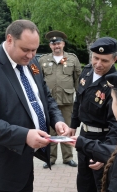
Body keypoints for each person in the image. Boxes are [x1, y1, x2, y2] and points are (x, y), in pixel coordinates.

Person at [0, 20, 69, 192]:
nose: (30, 55)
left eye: (34, 50)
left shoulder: (31, 63)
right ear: (10, 40)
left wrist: (57, 119)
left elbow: (45, 97)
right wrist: (25, 136)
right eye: (25, 50)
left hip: (23, 163)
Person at [70, 37, 117, 192]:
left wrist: (105, 153)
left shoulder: (116, 84)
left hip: (103, 139)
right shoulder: (87, 71)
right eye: (95, 58)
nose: (98, 64)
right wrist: (73, 124)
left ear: (115, 59)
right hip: (84, 136)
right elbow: (78, 100)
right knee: (84, 184)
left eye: (104, 60)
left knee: (102, 188)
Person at [39, 30, 81, 169]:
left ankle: (68, 158)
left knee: (67, 130)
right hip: (49, 102)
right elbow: (39, 81)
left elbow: (78, 80)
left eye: (58, 43)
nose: (56, 46)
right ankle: (50, 158)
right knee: (50, 131)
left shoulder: (72, 59)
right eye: (53, 44)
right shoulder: (43, 60)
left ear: (63, 44)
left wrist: (80, 99)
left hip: (67, 101)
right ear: (50, 46)